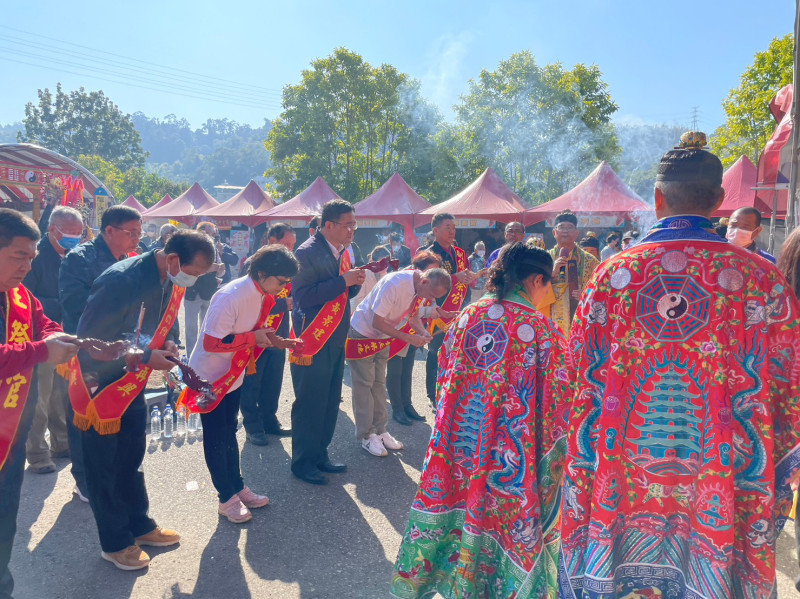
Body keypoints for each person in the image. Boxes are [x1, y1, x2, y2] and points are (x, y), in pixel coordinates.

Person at [560, 133, 800, 598]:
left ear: (657, 198)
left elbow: (578, 380)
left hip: (622, 478)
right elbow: (788, 383)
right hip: (721, 477)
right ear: (718, 201)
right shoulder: (760, 278)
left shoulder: (613, 276)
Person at [391, 242, 571, 598]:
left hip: (457, 451)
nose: (547, 292)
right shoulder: (540, 329)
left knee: (453, 509)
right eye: (547, 284)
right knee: (505, 524)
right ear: (536, 280)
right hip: (510, 465)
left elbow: (444, 377)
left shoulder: (469, 315)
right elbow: (560, 406)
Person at [73, 230, 214, 571]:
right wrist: (148, 354)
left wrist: (169, 346)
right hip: (102, 387)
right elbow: (92, 340)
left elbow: (166, 327)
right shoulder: (121, 280)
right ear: (174, 259)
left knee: (131, 458)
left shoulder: (171, 277)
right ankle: (115, 542)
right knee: (104, 468)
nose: (192, 281)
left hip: (132, 383)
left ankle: (140, 524)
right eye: (192, 272)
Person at [187, 245, 298, 523]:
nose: (283, 289)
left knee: (229, 431)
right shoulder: (230, 296)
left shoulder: (262, 294)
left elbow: (253, 331)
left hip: (233, 373)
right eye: (281, 282)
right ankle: (225, 498)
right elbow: (212, 343)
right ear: (261, 273)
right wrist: (253, 338)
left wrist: (278, 341)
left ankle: (237, 486)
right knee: (216, 437)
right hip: (209, 378)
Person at [0, 208, 79, 599]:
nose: (28, 267)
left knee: (3, 529)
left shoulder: (17, 293)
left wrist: (61, 338)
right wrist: (39, 351)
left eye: (32, 257)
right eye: (19, 257)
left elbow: (42, 322)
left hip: (9, 441)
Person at [59, 204, 142, 503]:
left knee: (114, 412)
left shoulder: (132, 260)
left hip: (121, 352)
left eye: (139, 233)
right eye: (130, 233)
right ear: (109, 230)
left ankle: (110, 473)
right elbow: (76, 307)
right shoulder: (80, 259)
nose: (136, 239)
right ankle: (83, 479)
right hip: (87, 351)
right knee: (83, 416)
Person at [290, 200, 365, 485]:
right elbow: (304, 297)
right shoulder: (306, 252)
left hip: (335, 336)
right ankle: (302, 462)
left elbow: (344, 291)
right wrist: (343, 282)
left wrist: (354, 281)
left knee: (331, 398)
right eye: (348, 225)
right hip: (312, 338)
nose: (352, 231)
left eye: (354, 224)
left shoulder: (345, 251)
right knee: (310, 401)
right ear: (329, 225)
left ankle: (320, 453)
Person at [347, 268, 450, 457]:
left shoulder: (420, 286)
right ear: (425, 282)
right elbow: (377, 321)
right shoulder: (395, 284)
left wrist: (422, 332)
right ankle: (366, 435)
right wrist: (408, 338)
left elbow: (412, 316)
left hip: (383, 336)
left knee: (379, 384)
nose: (431, 300)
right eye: (432, 295)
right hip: (363, 333)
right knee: (364, 384)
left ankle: (380, 430)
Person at [23, 206, 82, 474]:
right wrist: (62, 304)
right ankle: (37, 453)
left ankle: (61, 442)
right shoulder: (34, 257)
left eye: (77, 234)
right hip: (37, 337)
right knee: (39, 396)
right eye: (68, 234)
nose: (73, 239)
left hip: (67, 335)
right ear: (52, 230)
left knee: (62, 393)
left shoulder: (77, 256)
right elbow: (25, 296)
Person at [239, 223, 297, 445]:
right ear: (272, 240)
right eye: (286, 244)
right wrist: (285, 304)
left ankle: (269, 420)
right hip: (255, 334)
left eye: (293, 244)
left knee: (273, 380)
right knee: (252, 382)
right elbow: (251, 302)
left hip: (278, 332)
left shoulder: (289, 267)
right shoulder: (254, 264)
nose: (290, 248)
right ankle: (252, 426)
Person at [423, 213, 480, 407]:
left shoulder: (461, 254)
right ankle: (433, 394)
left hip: (459, 310)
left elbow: (466, 282)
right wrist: (455, 277)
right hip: (438, 311)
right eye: (447, 227)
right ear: (435, 230)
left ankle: (451, 390)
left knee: (457, 352)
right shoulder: (428, 254)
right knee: (435, 352)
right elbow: (427, 282)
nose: (451, 231)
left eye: (453, 227)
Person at [386, 251, 444, 426]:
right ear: (419, 268)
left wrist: (434, 313)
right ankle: (397, 408)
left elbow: (419, 311)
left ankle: (407, 405)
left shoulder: (424, 286)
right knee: (395, 371)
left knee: (407, 369)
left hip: (413, 330)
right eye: (431, 271)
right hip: (396, 329)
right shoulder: (404, 281)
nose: (435, 277)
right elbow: (402, 310)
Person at [548, 209, 599, 337]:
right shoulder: (544, 259)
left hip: (581, 319)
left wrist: (586, 294)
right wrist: (551, 274)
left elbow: (602, 290)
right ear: (554, 232)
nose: (565, 231)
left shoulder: (591, 261)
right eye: (561, 227)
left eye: (570, 227)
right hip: (550, 319)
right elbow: (532, 289)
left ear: (576, 234)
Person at [184, 222, 227, 356]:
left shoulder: (214, 249)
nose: (210, 236)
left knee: (207, 325)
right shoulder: (190, 248)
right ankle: (191, 354)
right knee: (191, 327)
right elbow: (188, 269)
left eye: (212, 234)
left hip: (209, 291)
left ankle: (203, 352)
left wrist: (220, 270)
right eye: (207, 233)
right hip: (193, 291)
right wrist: (210, 268)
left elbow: (220, 272)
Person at [350, 245, 391, 312]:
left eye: (387, 263)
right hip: (361, 315)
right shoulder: (362, 275)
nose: (385, 266)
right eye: (382, 263)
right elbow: (357, 302)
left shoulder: (387, 278)